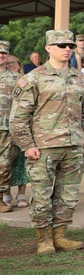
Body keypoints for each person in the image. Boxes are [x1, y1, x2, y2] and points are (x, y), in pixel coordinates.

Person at [9, 30, 84, 254]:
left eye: (70, 45)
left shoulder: (81, 78)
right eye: (61, 45)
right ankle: (44, 239)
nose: (67, 49)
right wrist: (27, 145)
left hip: (73, 146)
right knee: (41, 195)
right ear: (48, 48)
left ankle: (60, 236)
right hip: (43, 147)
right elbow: (18, 117)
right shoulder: (33, 78)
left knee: (69, 194)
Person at [2, 55, 28, 208]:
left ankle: (20, 194)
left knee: (17, 162)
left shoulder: (21, 79)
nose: (10, 64)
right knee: (4, 163)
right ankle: (5, 194)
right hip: (4, 127)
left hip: (16, 126)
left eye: (13, 63)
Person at [0, 41, 19, 214]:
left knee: (4, 165)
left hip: (7, 128)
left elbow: (24, 103)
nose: (1, 56)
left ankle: (0, 198)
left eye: (3, 53)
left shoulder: (16, 78)